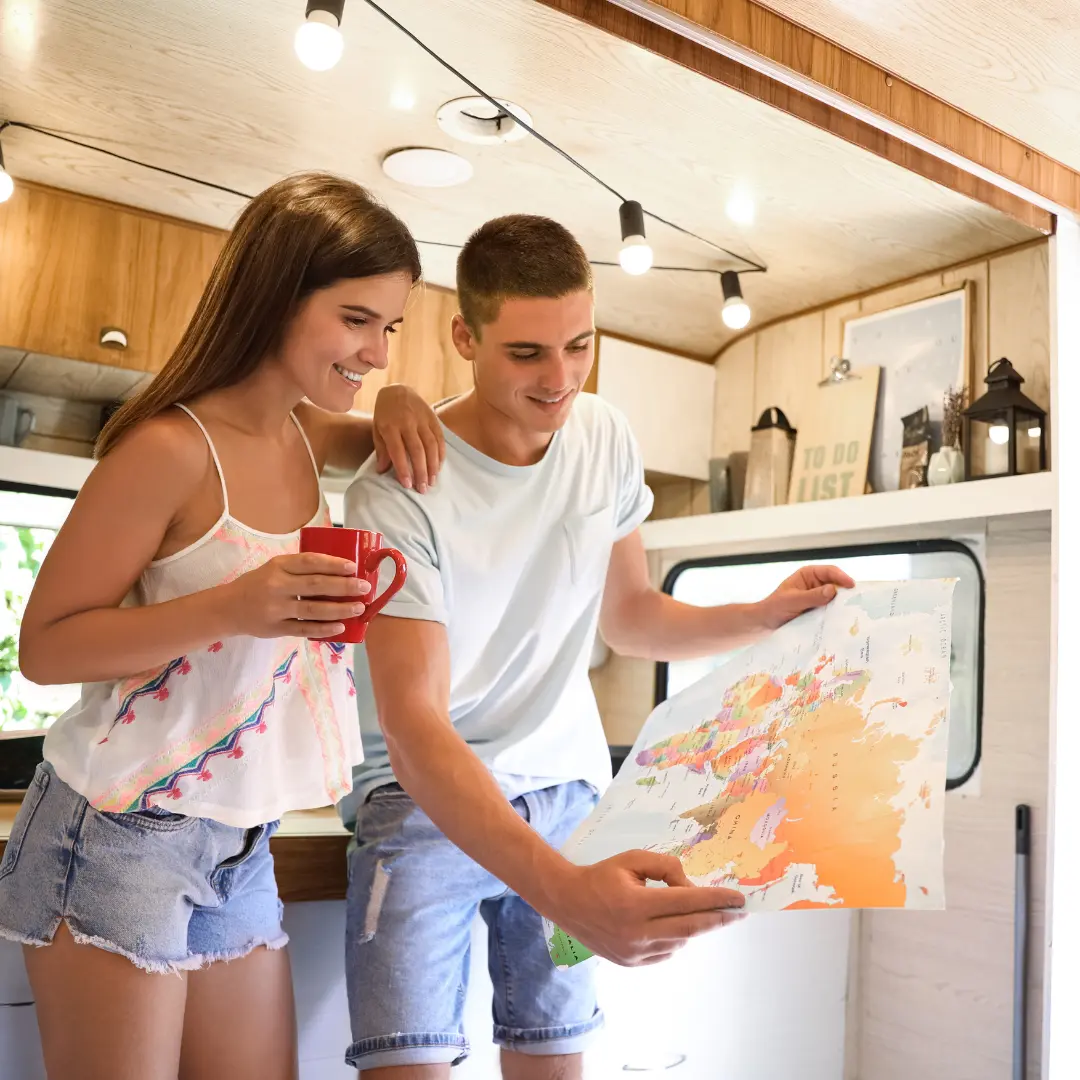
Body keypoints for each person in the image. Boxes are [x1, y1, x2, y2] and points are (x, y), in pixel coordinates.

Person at [340, 213, 854, 1078]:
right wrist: (564, 888)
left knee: (554, 1060)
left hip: (571, 795)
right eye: (528, 354)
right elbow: (416, 727)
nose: (561, 378)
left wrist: (759, 614)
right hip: (426, 805)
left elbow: (632, 616)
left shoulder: (607, 436)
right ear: (465, 336)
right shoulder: (396, 493)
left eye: (580, 346)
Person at [0, 173, 445, 1080]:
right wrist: (236, 607)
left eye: (391, 327)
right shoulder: (166, 450)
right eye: (358, 319)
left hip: (240, 842)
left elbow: (391, 428)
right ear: (278, 295)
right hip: (116, 829)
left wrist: (401, 405)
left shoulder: (303, 435)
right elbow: (46, 647)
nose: (377, 352)